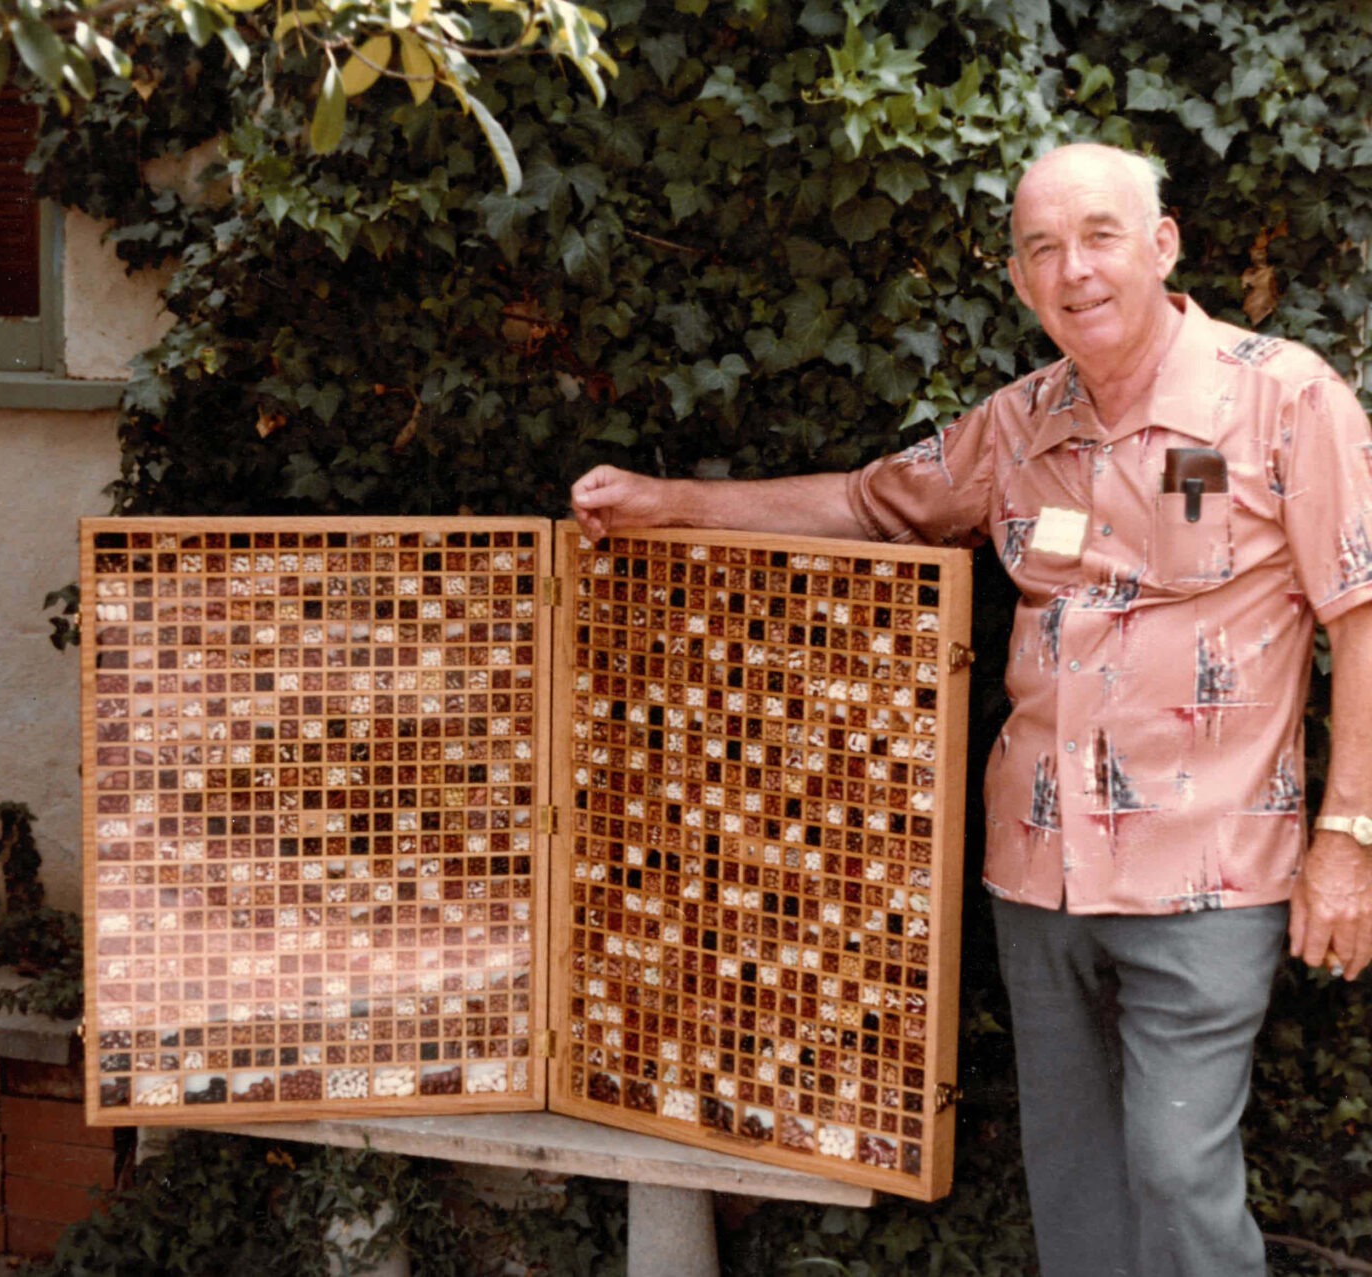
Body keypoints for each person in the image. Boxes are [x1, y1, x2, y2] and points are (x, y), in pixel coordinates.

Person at [569, 142, 1372, 1277]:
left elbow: (1361, 614)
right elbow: (867, 501)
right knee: (1077, 1180)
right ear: (1017, 279)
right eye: (1042, 248)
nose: (1074, 271)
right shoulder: (1019, 425)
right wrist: (675, 502)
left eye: (1098, 236)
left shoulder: (1284, 395)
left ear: (1163, 243)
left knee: (1177, 1167)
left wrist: (1350, 837)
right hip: (1035, 872)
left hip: (1212, 869)